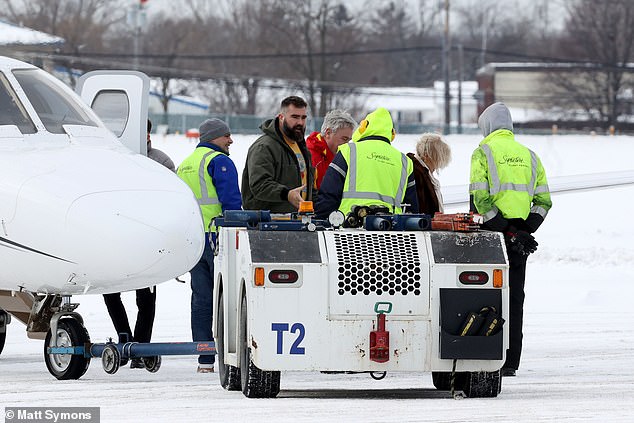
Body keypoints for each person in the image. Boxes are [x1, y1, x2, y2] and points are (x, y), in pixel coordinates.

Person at [469, 102, 552, 377]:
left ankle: (486, 354)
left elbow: (480, 200)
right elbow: (543, 201)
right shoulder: (530, 155)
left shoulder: (482, 153)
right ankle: (511, 361)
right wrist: (525, 231)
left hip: (492, 235)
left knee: (485, 296)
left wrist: (504, 229)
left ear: (487, 126)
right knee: (515, 298)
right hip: (520, 239)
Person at [102, 119, 174, 369]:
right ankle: (125, 338)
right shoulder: (108, 160)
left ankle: (142, 346)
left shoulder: (161, 161)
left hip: (147, 240)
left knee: (146, 297)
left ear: (147, 133)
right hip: (114, 238)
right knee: (110, 291)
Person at [177, 118, 242, 373]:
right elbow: (231, 204)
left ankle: (204, 357)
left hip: (194, 240)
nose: (230, 140)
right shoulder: (220, 161)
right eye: (226, 135)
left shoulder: (185, 165)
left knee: (201, 297)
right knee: (227, 296)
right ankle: (229, 356)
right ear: (215, 137)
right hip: (218, 238)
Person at [315, 107, 418, 219]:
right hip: (390, 229)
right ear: (392, 133)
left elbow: (329, 195)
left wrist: (322, 222)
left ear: (363, 127)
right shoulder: (404, 161)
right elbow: (411, 208)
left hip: (348, 228)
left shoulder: (348, 151)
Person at [241, 96, 315, 212]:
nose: (300, 122)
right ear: (281, 117)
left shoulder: (302, 147)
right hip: (268, 223)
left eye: (303, 117)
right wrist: (287, 194)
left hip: (299, 221)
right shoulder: (264, 147)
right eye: (295, 117)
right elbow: (259, 185)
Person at [306, 109, 357, 189]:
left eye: (349, 140)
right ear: (328, 133)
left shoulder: (337, 155)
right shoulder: (313, 158)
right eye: (344, 139)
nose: (347, 144)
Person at [406, 133, 451, 215]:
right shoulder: (417, 174)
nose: (437, 166)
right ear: (427, 156)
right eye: (437, 160)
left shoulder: (423, 172)